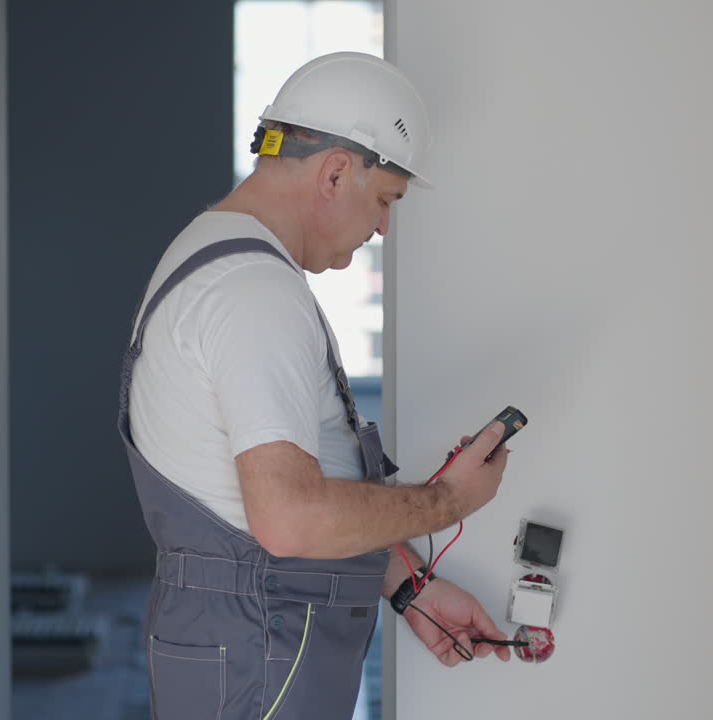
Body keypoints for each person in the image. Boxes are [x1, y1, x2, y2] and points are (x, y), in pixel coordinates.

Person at [118, 52, 513, 720]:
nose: (383, 227)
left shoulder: (223, 262)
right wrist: (448, 501)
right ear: (336, 172)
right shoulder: (252, 293)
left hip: (248, 642)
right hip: (259, 648)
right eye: (385, 200)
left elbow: (280, 495)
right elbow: (289, 516)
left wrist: (409, 586)